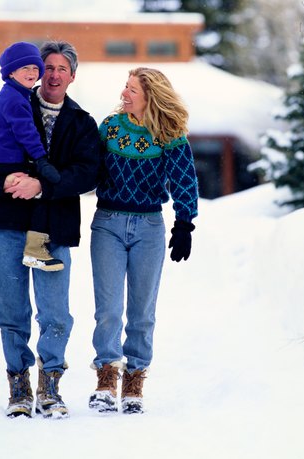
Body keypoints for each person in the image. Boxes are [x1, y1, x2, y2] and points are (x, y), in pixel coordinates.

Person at [0, 41, 101, 418]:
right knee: (11, 309)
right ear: (36, 71)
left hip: (53, 229)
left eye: (61, 69)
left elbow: (89, 173)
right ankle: (19, 386)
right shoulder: (11, 103)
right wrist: (2, 182)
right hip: (7, 221)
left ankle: (50, 386)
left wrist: (43, 185)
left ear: (72, 76)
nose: (53, 74)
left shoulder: (82, 123)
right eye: (47, 67)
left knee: (54, 311)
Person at [88, 67, 199, 414]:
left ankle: (134, 378)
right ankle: (106, 376)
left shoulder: (169, 134)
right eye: (125, 86)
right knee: (108, 309)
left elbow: (185, 180)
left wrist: (184, 223)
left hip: (149, 226)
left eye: (132, 89)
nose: (124, 93)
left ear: (150, 95)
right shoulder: (109, 128)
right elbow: (87, 168)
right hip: (107, 222)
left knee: (142, 311)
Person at [0, 41, 65, 272]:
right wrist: (41, 160)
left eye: (35, 68)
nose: (32, 73)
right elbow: (26, 133)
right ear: (11, 72)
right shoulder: (16, 100)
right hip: (5, 159)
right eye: (25, 68)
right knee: (40, 190)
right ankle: (35, 248)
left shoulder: (9, 95)